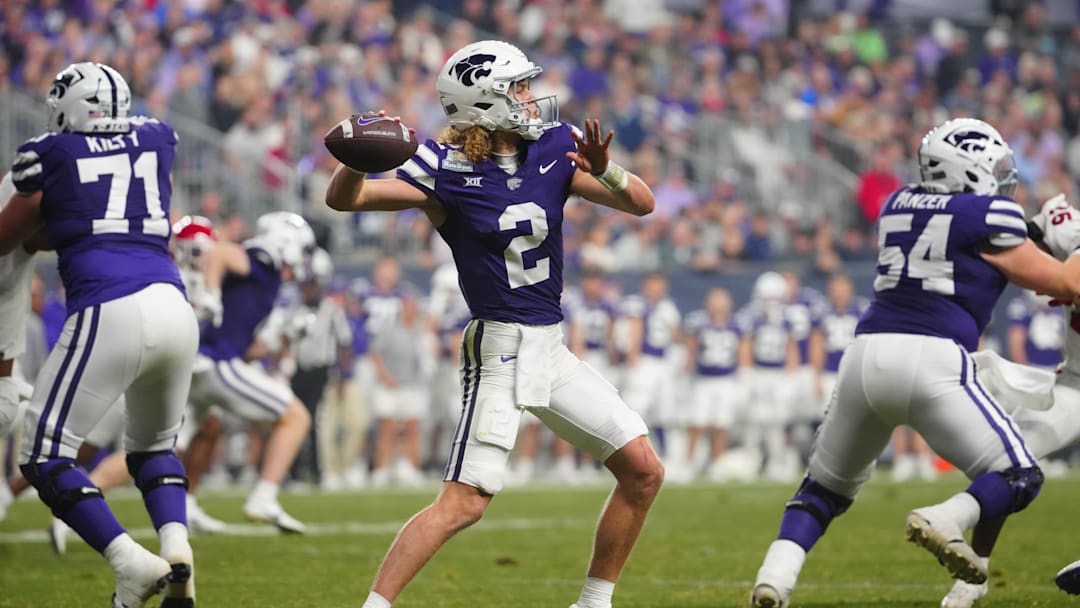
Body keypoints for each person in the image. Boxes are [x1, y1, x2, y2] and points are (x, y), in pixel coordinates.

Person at [326, 40, 663, 608]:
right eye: (518, 88)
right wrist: (355, 158)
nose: (531, 98)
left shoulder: (556, 148)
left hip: (550, 346)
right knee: (463, 505)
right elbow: (348, 201)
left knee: (643, 472)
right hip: (500, 347)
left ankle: (593, 602)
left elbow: (643, 204)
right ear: (486, 102)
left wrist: (607, 173)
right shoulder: (443, 168)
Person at [749, 117, 1080, 608]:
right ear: (970, 171)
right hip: (933, 359)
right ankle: (948, 518)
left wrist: (1039, 232)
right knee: (1018, 475)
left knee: (821, 491)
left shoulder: (897, 203)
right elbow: (1065, 283)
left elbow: (978, 245)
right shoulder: (990, 217)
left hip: (864, 358)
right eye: (998, 169)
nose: (1007, 179)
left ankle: (774, 577)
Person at [0, 62, 197, 607]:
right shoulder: (158, 137)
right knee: (155, 447)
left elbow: (7, 239)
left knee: (43, 454)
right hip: (173, 302)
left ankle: (129, 562)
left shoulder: (51, 153)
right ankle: (177, 548)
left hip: (108, 304)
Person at [183, 211, 315, 533]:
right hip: (216, 363)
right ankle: (264, 496)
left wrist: (283, 340)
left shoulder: (264, 277)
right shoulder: (264, 257)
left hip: (205, 362)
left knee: (167, 446)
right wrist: (211, 294)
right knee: (296, 417)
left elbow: (247, 348)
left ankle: (180, 505)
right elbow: (220, 252)